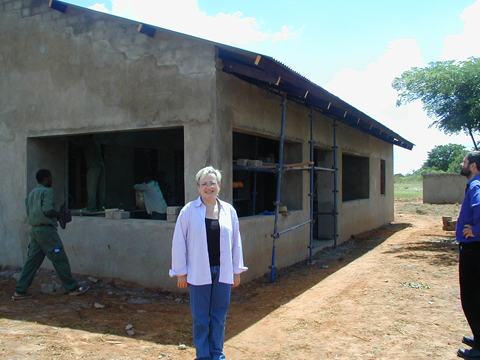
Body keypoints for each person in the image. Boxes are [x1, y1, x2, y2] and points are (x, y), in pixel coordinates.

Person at [169, 166, 248, 360]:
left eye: (212, 183)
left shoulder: (229, 211)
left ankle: (217, 354)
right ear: (198, 188)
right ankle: (203, 356)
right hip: (198, 272)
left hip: (223, 271)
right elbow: (179, 242)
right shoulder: (189, 211)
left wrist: (236, 270)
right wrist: (180, 272)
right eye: (204, 184)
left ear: (219, 186)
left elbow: (236, 242)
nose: (208, 187)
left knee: (219, 317)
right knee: (201, 319)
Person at [12, 169, 89, 300]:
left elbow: (31, 212)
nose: (51, 180)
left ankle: (20, 291)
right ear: (46, 179)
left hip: (35, 230)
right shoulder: (47, 192)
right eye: (50, 178)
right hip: (46, 232)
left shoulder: (31, 194)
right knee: (59, 257)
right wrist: (59, 215)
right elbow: (47, 211)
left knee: (31, 262)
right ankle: (72, 288)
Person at [456, 151, 480, 360]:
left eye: (464, 161)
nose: (462, 164)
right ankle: (478, 336)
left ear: (473, 166)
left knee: (472, 298)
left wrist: (477, 230)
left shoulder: (476, 186)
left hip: (474, 250)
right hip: (474, 249)